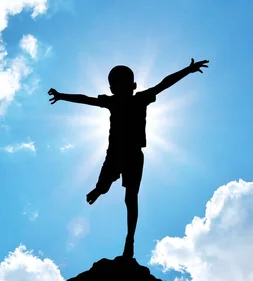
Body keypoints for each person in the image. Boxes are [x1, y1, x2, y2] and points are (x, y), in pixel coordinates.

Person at [48, 58, 209, 258]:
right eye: (115, 85)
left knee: (130, 197)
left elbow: (165, 83)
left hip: (132, 154)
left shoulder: (138, 99)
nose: (117, 88)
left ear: (131, 86)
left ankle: (129, 239)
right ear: (113, 88)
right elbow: (86, 99)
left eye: (118, 83)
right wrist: (62, 96)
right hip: (116, 155)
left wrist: (187, 70)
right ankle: (100, 189)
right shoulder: (115, 101)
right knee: (106, 188)